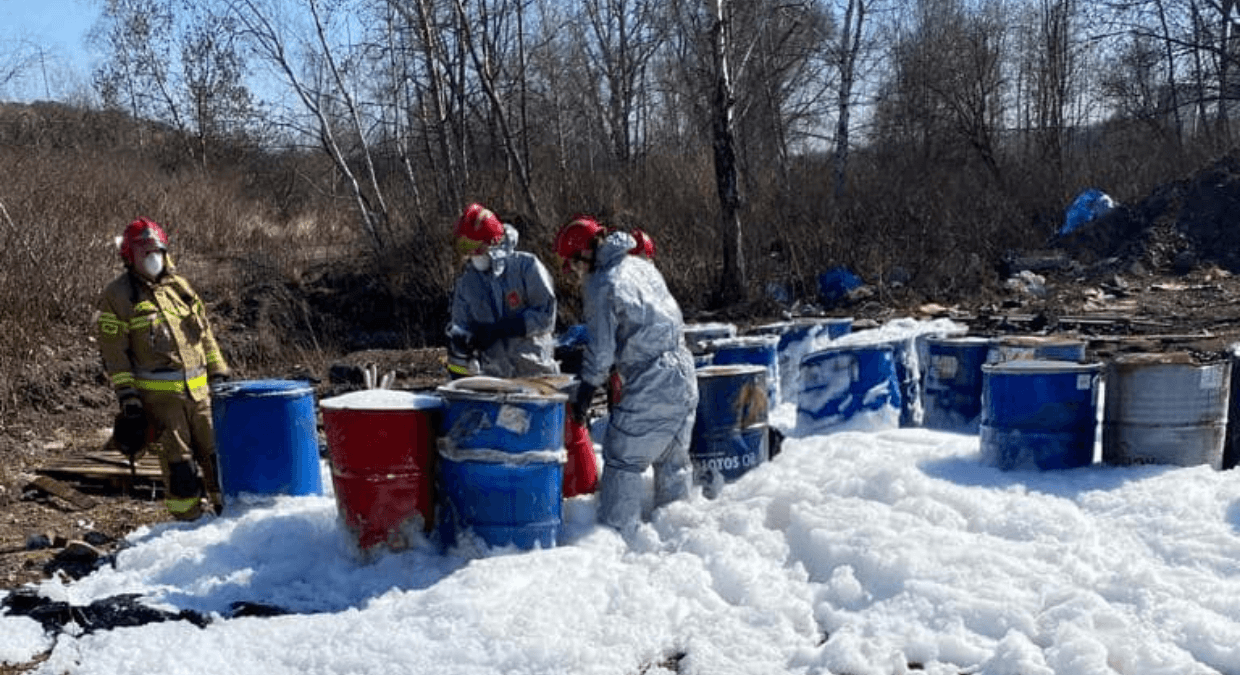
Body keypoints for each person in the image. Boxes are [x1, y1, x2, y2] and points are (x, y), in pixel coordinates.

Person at [554, 215, 698, 532]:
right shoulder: (641, 266)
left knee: (623, 460)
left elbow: (602, 350)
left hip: (652, 379)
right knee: (673, 461)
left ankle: (619, 542)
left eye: (573, 265)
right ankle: (678, 536)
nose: (576, 274)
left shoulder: (601, 283)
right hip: (684, 372)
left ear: (584, 255)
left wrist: (586, 392)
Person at [95, 218, 231, 521]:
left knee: (219, 458)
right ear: (131, 257)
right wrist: (128, 398)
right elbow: (114, 353)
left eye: (157, 251)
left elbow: (205, 334)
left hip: (201, 395)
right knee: (179, 466)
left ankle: (229, 517)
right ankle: (189, 525)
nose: (154, 258)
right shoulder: (118, 296)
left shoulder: (180, 287)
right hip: (161, 403)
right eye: (146, 253)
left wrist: (218, 371)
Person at [446, 203, 559, 378]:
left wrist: (507, 328)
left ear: (491, 241)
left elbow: (546, 316)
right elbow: (460, 329)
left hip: (535, 372)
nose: (472, 253)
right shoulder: (467, 283)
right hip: (493, 378)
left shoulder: (526, 266)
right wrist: (459, 367)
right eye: (465, 247)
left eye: (475, 245)